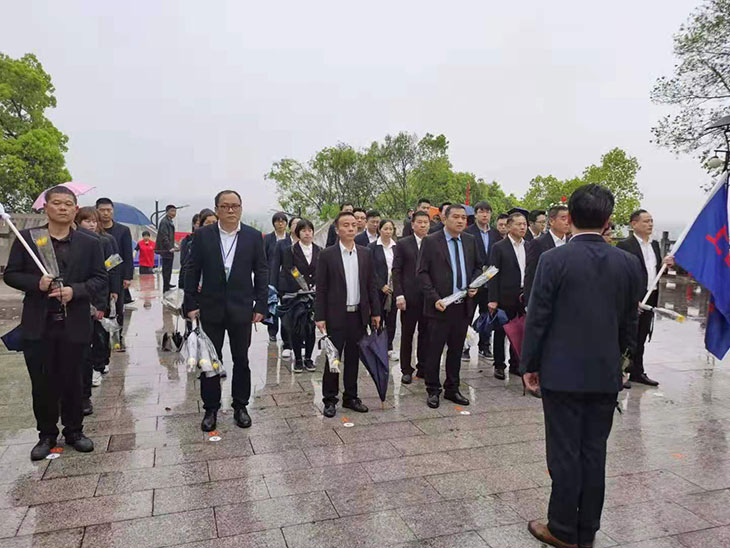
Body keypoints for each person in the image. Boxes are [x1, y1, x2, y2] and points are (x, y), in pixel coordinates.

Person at [521, 184, 642, 548]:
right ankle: (586, 530)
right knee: (594, 452)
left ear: (570, 217)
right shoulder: (627, 263)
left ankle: (561, 528)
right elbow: (630, 322)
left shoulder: (553, 261)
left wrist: (530, 364)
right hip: (605, 375)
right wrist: (623, 363)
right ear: (608, 221)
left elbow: (538, 318)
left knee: (564, 453)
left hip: (561, 375)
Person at [5, 186, 107, 460]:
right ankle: (46, 434)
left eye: (68, 204)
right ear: (46, 208)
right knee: (42, 382)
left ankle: (75, 431)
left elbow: (100, 279)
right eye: (57, 203)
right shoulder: (29, 239)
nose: (62, 208)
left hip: (74, 323)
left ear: (76, 209)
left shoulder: (89, 243)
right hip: (39, 323)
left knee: (74, 380)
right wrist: (36, 283)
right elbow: (11, 274)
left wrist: (75, 291)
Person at [184, 190, 268, 432]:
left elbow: (262, 271)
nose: (231, 210)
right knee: (210, 360)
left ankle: (240, 406)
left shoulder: (253, 236)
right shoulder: (203, 236)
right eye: (225, 206)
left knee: (242, 358)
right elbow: (192, 269)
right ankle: (211, 408)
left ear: (241, 208)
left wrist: (261, 304)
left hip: (242, 307)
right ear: (217, 209)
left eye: (235, 206)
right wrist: (190, 303)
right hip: (210, 307)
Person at [315, 211, 381, 418]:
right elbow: (321, 288)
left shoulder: (365, 253)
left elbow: (371, 285)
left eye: (353, 224)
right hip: (335, 316)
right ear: (337, 229)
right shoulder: (327, 255)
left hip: (358, 315)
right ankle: (330, 399)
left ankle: (351, 396)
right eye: (346, 225)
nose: (351, 228)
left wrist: (375, 312)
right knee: (333, 359)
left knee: (353, 358)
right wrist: (320, 316)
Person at [418, 205, 481, 408]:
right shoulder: (431, 241)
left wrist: (474, 285)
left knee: (456, 350)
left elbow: (478, 266)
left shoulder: (470, 240)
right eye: (456, 217)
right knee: (434, 350)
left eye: (463, 217)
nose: (461, 221)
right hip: (440, 305)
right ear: (444, 219)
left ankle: (452, 388)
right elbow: (422, 272)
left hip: (462, 306)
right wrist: (434, 298)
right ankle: (433, 389)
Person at [616, 209, 674, 387]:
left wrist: (666, 265)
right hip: (632, 298)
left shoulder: (654, 245)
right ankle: (620, 372)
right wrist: (631, 299)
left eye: (651, 221)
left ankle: (637, 371)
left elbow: (655, 272)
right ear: (633, 224)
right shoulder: (625, 246)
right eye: (646, 221)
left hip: (651, 294)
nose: (650, 224)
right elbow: (620, 275)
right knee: (627, 335)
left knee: (641, 335)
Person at [75, 207, 120, 413]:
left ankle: (98, 365)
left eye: (94, 221)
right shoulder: (73, 242)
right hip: (78, 295)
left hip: (100, 292)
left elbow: (113, 268)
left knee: (100, 333)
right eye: (87, 221)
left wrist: (113, 292)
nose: (91, 224)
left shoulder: (105, 241)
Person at [488, 211, 528, 380]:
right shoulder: (499, 247)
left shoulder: (529, 246)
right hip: (504, 296)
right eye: (519, 224)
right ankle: (499, 364)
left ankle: (515, 363)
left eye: (524, 224)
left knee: (520, 330)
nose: (522, 227)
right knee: (501, 331)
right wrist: (493, 299)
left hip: (523, 295)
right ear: (509, 226)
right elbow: (492, 274)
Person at [393, 210, 430, 384]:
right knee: (407, 334)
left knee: (426, 334)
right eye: (419, 222)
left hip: (428, 297)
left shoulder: (433, 242)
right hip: (408, 297)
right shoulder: (403, 244)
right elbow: (396, 271)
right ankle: (406, 369)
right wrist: (399, 294)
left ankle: (423, 367)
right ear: (413, 224)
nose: (423, 225)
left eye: (425, 222)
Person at [280, 219, 320, 372]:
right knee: (297, 327)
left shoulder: (319, 250)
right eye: (304, 231)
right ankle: (298, 359)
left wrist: (314, 285)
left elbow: (321, 270)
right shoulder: (290, 250)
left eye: (310, 230)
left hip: (314, 294)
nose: (307, 233)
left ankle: (308, 358)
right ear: (298, 233)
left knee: (311, 327)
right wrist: (302, 286)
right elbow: (290, 270)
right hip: (297, 295)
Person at [464, 200, 501, 359]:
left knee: (487, 314)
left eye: (488, 212)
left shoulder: (495, 234)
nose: (485, 215)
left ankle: (484, 346)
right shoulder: (468, 232)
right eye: (481, 212)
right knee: (468, 314)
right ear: (476, 214)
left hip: (490, 280)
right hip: (473, 279)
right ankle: (465, 347)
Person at [96, 198, 133, 350]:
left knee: (118, 307)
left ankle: (118, 336)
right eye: (102, 210)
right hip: (98, 276)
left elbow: (127, 254)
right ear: (97, 211)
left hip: (117, 275)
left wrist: (128, 276)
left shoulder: (123, 230)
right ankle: (101, 337)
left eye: (109, 210)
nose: (106, 213)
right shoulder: (93, 230)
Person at [524, 205, 570, 305]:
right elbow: (531, 274)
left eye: (569, 219)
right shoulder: (538, 243)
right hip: (546, 299)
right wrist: (529, 303)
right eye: (563, 219)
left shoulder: (572, 242)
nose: (567, 222)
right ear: (552, 221)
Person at [269, 217, 300, 358]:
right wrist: (273, 286)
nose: (297, 226)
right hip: (286, 285)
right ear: (290, 226)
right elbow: (275, 266)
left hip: (303, 286)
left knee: (301, 315)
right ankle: (287, 344)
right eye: (295, 224)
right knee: (287, 315)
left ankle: (299, 342)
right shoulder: (282, 244)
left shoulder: (307, 243)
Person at [368, 219, 398, 357]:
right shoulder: (372, 247)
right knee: (377, 318)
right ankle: (378, 346)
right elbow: (370, 269)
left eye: (390, 229)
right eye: (385, 229)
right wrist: (380, 285)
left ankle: (389, 347)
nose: (388, 232)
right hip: (377, 290)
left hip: (393, 289)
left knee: (391, 319)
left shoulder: (397, 246)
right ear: (379, 230)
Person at [264, 212, 291, 344]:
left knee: (286, 307)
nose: (280, 224)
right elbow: (263, 258)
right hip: (271, 277)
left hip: (287, 279)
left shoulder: (290, 239)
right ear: (273, 223)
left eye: (283, 221)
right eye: (277, 221)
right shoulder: (268, 239)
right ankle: (272, 333)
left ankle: (287, 336)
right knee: (272, 306)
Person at [155, 204, 177, 292]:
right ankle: (166, 286)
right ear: (167, 212)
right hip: (165, 249)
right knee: (166, 268)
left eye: (175, 211)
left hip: (169, 248)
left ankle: (167, 283)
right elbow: (164, 236)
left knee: (169, 267)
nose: (174, 213)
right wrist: (169, 247)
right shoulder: (165, 222)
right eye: (172, 211)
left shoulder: (169, 221)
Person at [178, 214, 200, 291]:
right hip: (190, 278)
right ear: (194, 225)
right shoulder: (187, 240)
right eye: (198, 223)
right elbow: (184, 261)